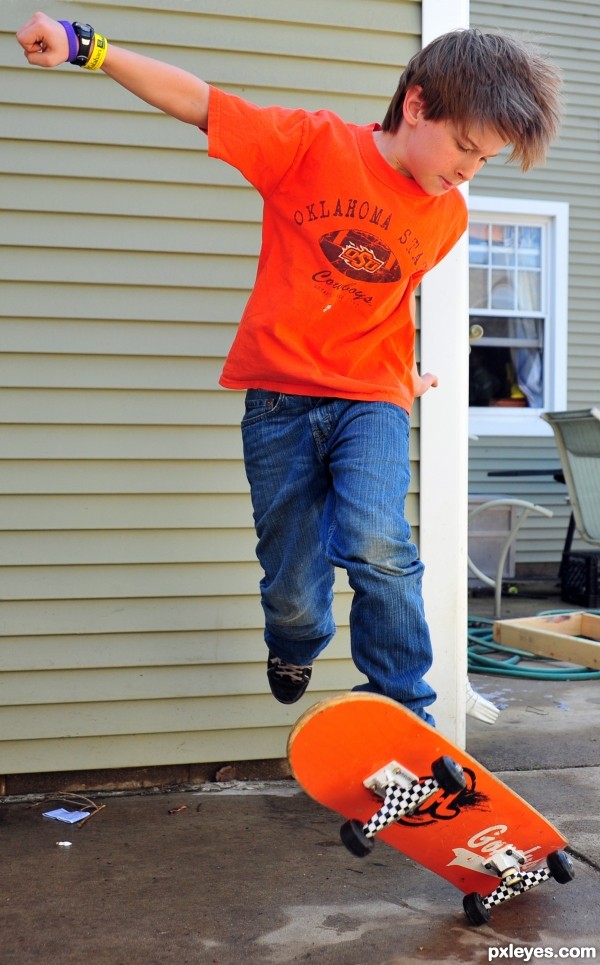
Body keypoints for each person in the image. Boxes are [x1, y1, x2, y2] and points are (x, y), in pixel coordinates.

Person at [16, 13, 562, 724]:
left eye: (484, 159)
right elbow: (199, 102)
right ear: (418, 104)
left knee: (376, 538)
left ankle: (404, 706)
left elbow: (386, 304)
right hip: (279, 403)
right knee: (292, 585)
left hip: (372, 399)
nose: (468, 170)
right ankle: (295, 639)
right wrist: (90, 50)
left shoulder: (446, 215)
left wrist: (406, 375)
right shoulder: (310, 146)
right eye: (464, 147)